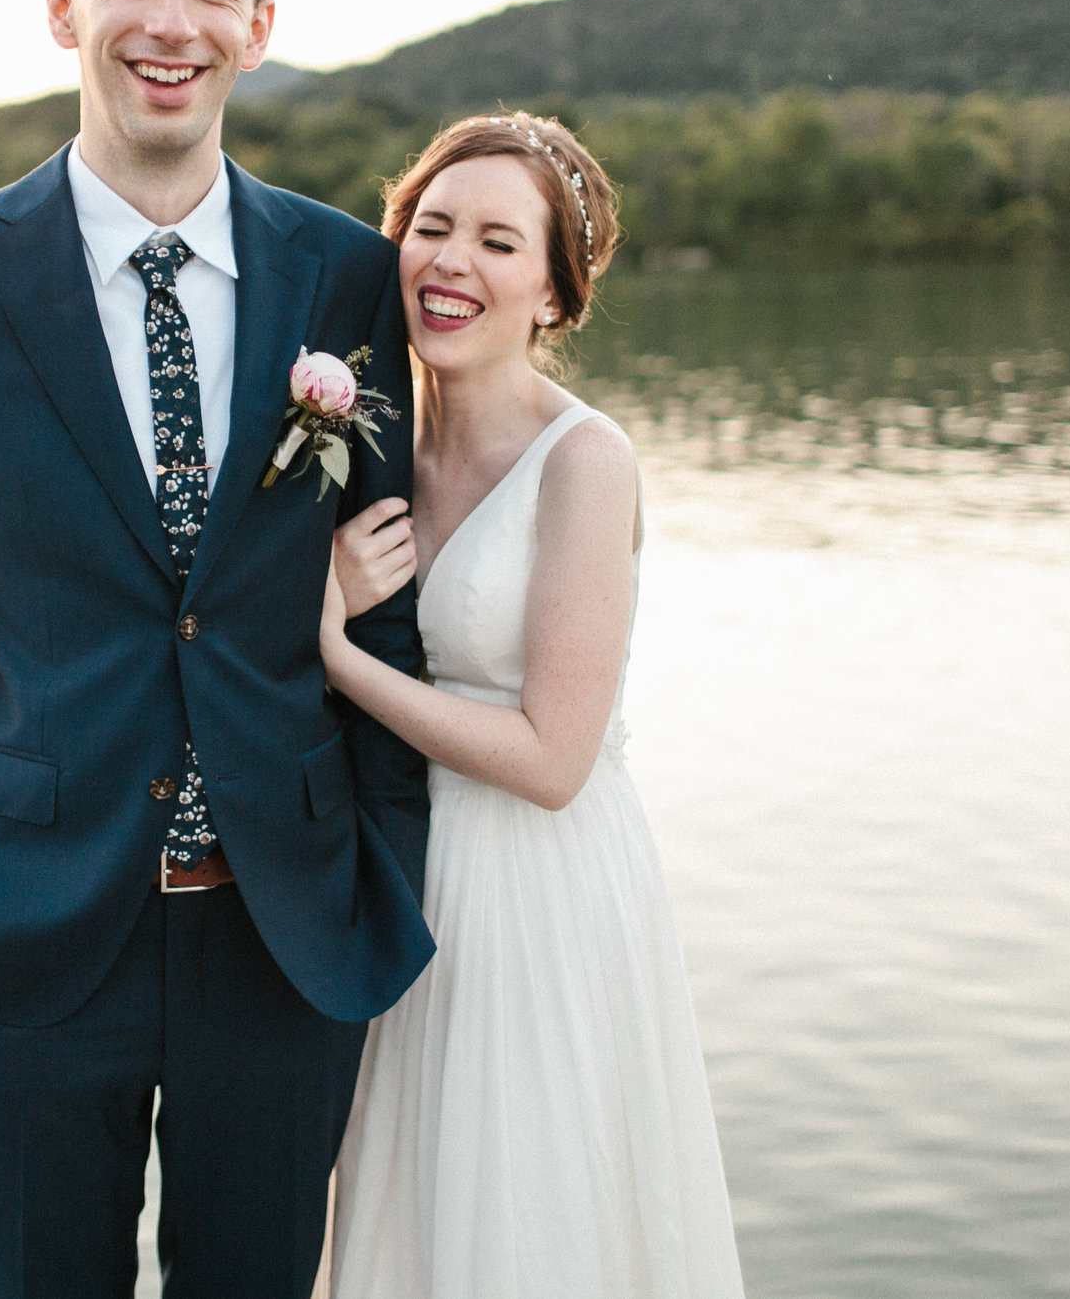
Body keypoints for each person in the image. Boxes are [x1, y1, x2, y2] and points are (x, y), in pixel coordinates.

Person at [0, 0, 434, 1298]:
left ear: (259, 25)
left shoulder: (346, 276)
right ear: (66, 4)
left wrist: (386, 863)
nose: (172, 22)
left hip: (286, 931)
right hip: (27, 932)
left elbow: (393, 603)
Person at [319, 114, 748, 1297]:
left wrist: (338, 655)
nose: (452, 262)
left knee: (525, 1219)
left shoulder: (584, 460)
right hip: (402, 867)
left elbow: (555, 755)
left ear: (553, 295)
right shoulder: (369, 439)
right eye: (432, 228)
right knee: (409, 1217)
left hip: (535, 883)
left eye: (499, 242)